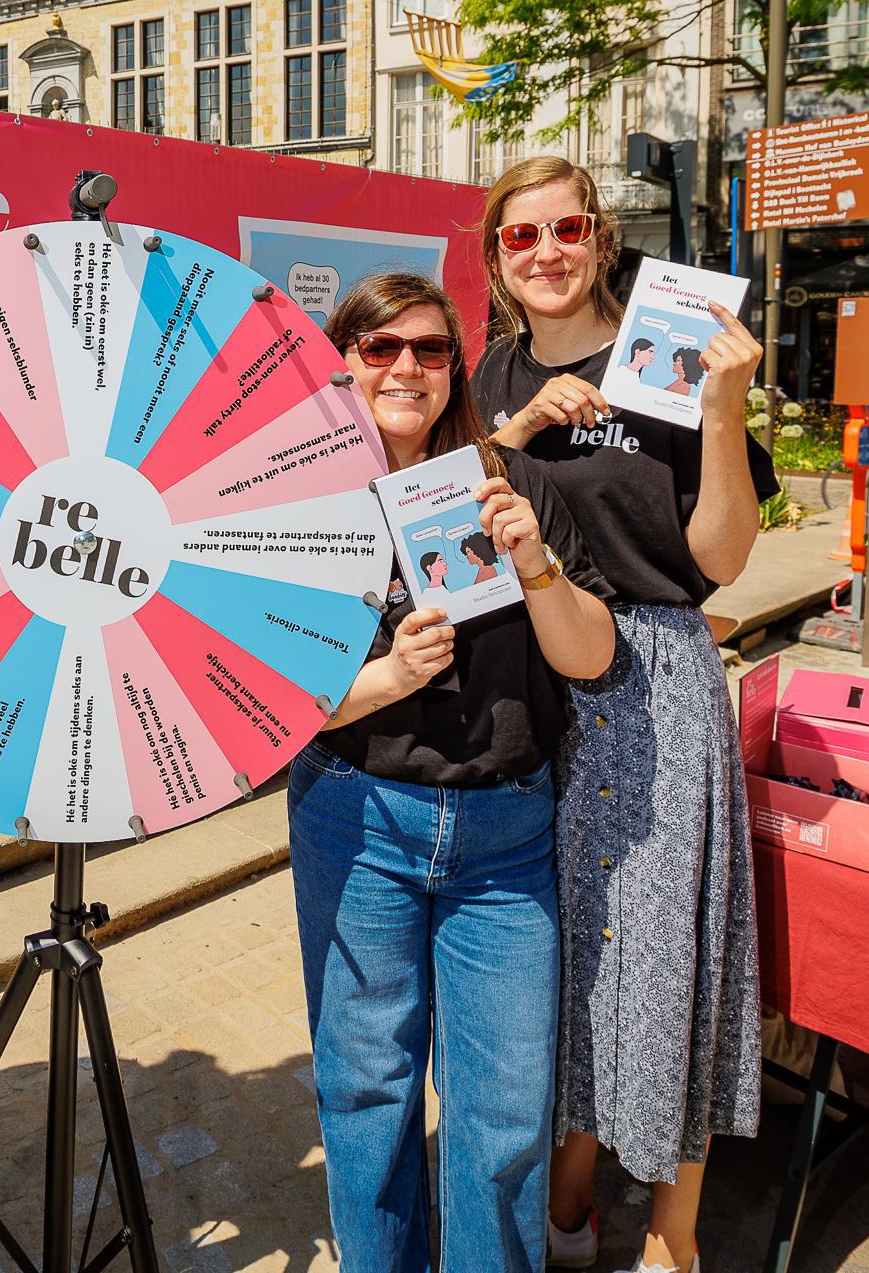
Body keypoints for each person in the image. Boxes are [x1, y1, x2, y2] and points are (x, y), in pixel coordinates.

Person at [470, 156, 776, 1273]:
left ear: (600, 238)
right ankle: (564, 1196)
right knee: (557, 962)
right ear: (496, 257)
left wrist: (725, 405)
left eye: (568, 227)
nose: (545, 251)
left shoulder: (676, 344)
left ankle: (672, 1236)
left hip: (652, 677)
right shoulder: (493, 368)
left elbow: (722, 561)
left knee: (656, 962)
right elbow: (450, 511)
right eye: (519, 235)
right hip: (532, 688)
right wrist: (509, 431)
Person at [290, 272, 617, 1273]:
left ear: (455, 365)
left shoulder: (512, 485)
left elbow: (593, 657)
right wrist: (384, 678)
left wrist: (536, 568)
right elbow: (262, 698)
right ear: (342, 362)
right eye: (377, 347)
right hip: (358, 820)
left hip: (505, 840)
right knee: (362, 1094)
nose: (403, 367)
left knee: (505, 1118)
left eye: (428, 349)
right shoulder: (301, 506)